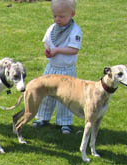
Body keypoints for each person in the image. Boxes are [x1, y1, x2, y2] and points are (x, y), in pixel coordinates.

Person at [32, 0, 82, 134]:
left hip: (66, 70)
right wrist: (47, 50)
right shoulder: (52, 28)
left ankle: (64, 122)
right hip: (51, 68)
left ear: (72, 14)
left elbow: (74, 49)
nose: (57, 19)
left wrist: (58, 50)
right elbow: (46, 42)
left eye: (61, 16)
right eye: (55, 16)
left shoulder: (75, 31)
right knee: (45, 94)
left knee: (66, 97)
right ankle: (42, 117)